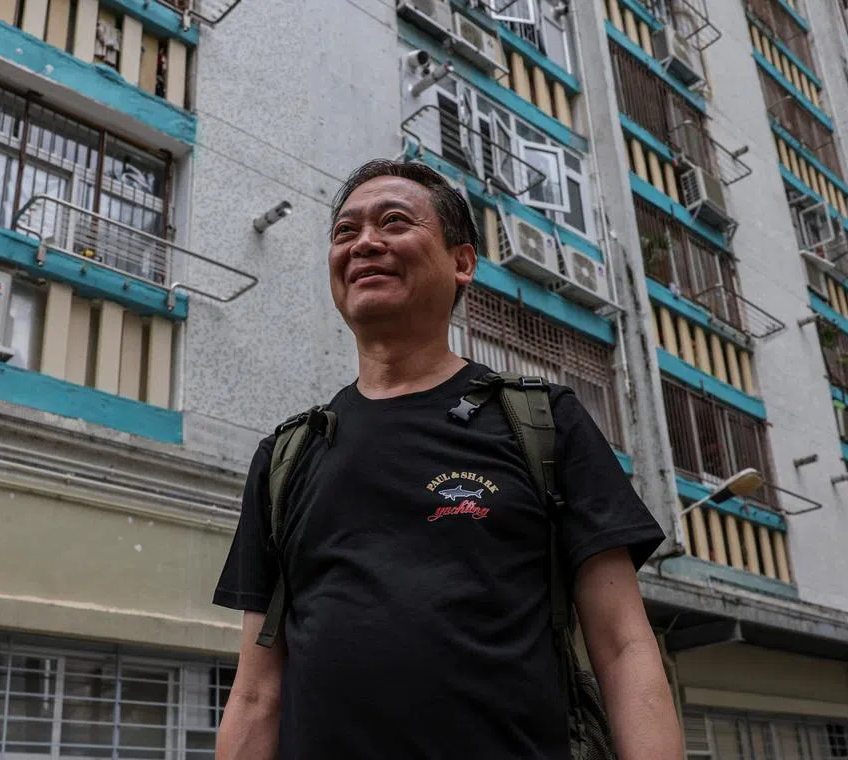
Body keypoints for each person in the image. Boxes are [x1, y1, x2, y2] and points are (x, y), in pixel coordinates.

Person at [212, 159, 682, 760]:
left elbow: (622, 646)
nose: (366, 244)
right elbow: (256, 694)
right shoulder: (287, 456)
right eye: (345, 232)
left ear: (462, 263)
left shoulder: (543, 422)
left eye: (394, 222)